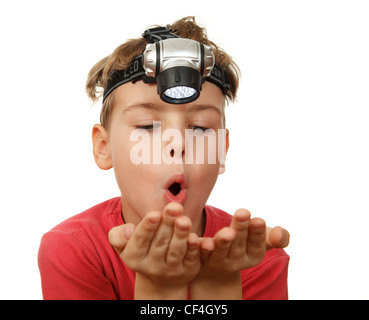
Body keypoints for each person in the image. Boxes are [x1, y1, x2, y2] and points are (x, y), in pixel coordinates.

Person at [38, 16, 290, 300]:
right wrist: (160, 291)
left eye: (200, 128)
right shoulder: (74, 249)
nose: (178, 143)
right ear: (104, 146)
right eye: (147, 126)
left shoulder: (258, 258)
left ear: (221, 149)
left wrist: (220, 288)